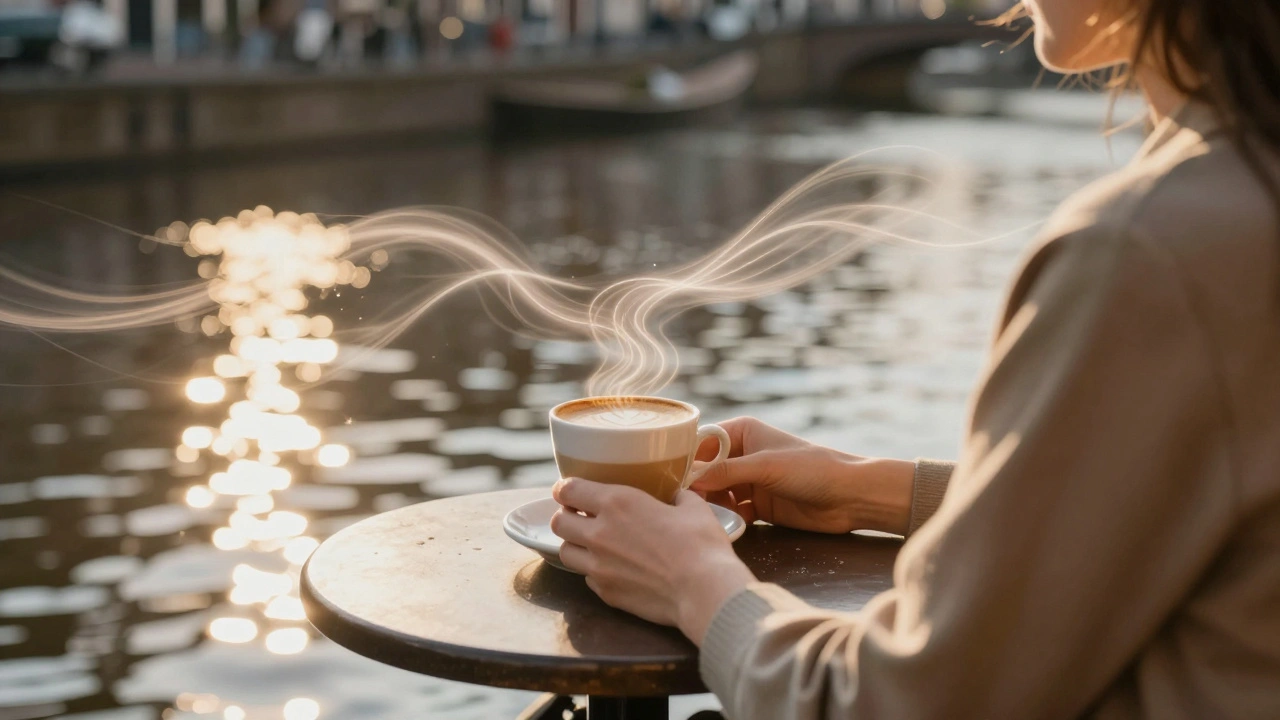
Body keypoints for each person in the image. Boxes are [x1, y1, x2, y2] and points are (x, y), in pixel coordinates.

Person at [549, 0, 1280, 717]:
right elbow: (1167, 512)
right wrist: (872, 490)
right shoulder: (1243, 191)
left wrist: (694, 581)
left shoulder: (1149, 248)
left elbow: (900, 703)